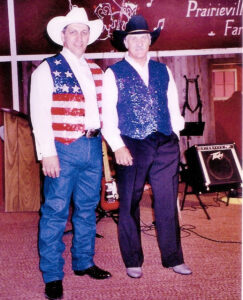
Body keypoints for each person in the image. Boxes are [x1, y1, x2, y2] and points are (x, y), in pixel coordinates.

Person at [102, 15, 192, 279]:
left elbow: (173, 106)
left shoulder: (163, 70)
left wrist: (174, 135)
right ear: (125, 43)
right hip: (131, 143)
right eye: (134, 38)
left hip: (165, 142)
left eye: (144, 38)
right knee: (130, 202)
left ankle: (174, 257)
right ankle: (133, 259)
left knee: (167, 201)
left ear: (150, 42)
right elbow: (107, 115)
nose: (140, 42)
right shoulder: (113, 73)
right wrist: (117, 146)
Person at [30, 7, 111, 300]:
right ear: (63, 35)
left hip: (92, 147)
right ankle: (52, 275)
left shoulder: (97, 70)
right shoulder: (46, 68)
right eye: (73, 31)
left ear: (89, 36)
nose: (79, 36)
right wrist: (46, 153)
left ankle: (84, 262)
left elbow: (105, 114)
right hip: (62, 149)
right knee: (55, 211)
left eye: (84, 31)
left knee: (88, 209)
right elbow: (39, 114)